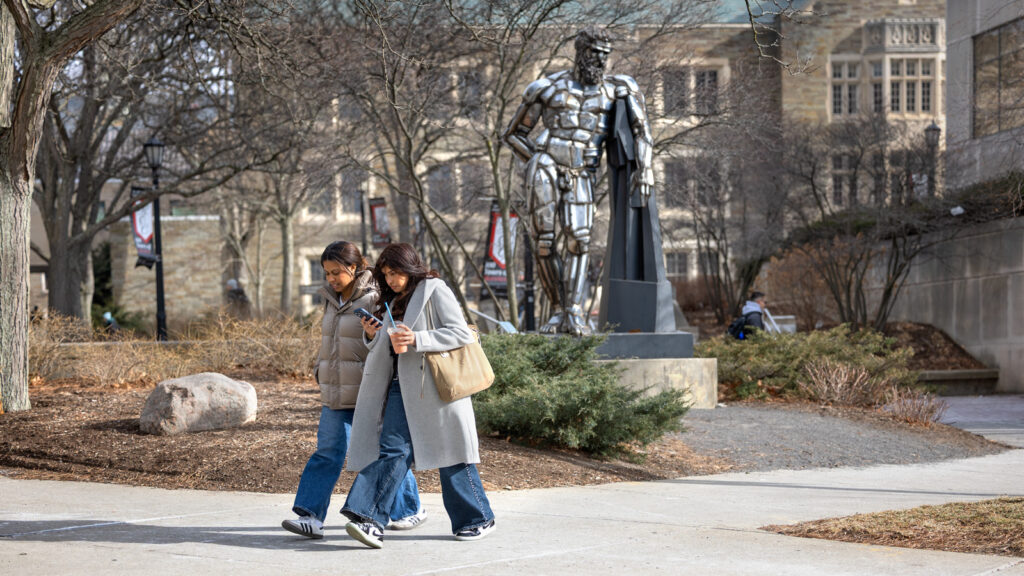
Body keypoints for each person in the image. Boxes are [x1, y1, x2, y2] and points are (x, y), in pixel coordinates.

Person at [341, 243, 496, 549]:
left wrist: (418, 338)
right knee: (392, 453)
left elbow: (462, 332)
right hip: (399, 387)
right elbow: (389, 348)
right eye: (386, 274)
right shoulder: (392, 299)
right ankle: (369, 519)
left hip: (435, 388)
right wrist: (373, 335)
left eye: (396, 272)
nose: (391, 280)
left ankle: (477, 519)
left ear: (410, 267)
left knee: (453, 454)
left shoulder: (434, 289)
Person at [502, 27, 654, 335]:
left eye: (604, 54)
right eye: (594, 52)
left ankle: (574, 312)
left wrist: (646, 168)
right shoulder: (547, 88)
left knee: (580, 239)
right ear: (580, 52)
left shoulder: (619, 88)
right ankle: (558, 311)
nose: (599, 60)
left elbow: (642, 132)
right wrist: (536, 160)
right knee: (544, 241)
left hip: (582, 171)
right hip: (544, 163)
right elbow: (513, 134)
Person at [281, 241, 425, 540]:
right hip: (335, 392)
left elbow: (392, 341)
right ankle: (310, 516)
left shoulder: (376, 296)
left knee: (381, 455)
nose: (331, 278)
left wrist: (374, 332)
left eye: (337, 272)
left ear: (355, 268)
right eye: (327, 273)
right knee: (328, 452)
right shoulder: (330, 299)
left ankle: (410, 509)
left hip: (368, 391)